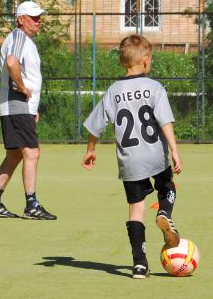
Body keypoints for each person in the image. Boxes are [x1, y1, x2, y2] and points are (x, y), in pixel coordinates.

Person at [81, 34, 182, 279]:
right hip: (155, 156)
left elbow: (95, 125)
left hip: (129, 160)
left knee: (136, 209)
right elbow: (165, 121)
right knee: (168, 187)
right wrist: (175, 150)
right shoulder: (154, 87)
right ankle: (165, 213)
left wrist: (90, 149)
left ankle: (139, 264)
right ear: (146, 61)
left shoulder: (114, 91)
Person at [0, 1, 56, 220]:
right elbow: (12, 62)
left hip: (19, 106)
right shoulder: (18, 37)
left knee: (15, 154)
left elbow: (21, 67)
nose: (38, 21)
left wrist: (32, 107)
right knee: (32, 153)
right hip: (17, 104)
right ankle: (31, 205)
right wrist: (23, 89)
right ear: (21, 19)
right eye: (34, 17)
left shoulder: (24, 39)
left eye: (39, 17)